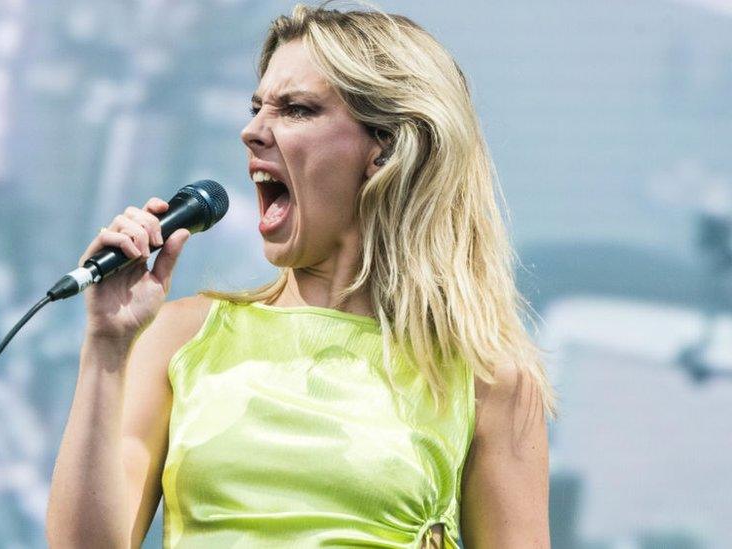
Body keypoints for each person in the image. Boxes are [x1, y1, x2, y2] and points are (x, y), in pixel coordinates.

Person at [46, 4, 556, 548]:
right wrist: (107, 345)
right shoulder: (180, 340)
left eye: (296, 110)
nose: (251, 131)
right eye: (256, 107)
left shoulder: (486, 380)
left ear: (386, 147)